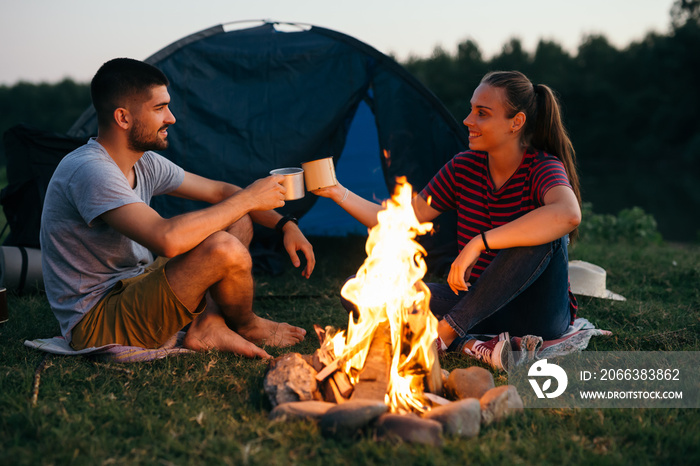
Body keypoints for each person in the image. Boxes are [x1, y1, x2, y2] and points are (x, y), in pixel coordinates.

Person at [40, 58, 316, 359]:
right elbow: (166, 239)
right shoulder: (90, 170)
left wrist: (285, 224)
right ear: (123, 118)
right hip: (97, 319)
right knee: (224, 247)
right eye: (159, 108)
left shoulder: (142, 161)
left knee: (239, 221)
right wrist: (249, 198)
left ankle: (209, 324)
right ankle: (247, 325)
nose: (170, 118)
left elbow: (221, 191)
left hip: (135, 282)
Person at [313, 70, 581, 373]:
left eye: (482, 113)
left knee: (544, 233)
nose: (468, 120)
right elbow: (396, 220)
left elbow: (568, 214)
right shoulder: (463, 168)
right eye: (471, 110)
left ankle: (445, 335)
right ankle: (470, 345)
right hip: (478, 305)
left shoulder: (542, 167)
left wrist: (481, 242)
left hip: (538, 314)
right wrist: (337, 192)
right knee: (359, 289)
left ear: (515, 123)